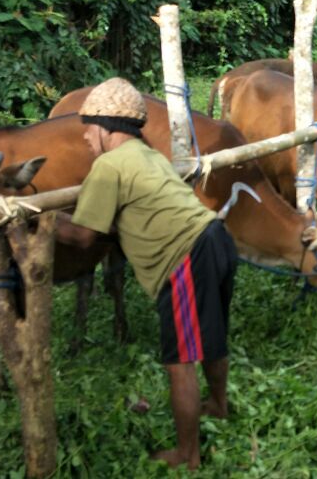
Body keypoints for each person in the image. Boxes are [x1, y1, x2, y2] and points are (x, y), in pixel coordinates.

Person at [55, 77, 237, 471]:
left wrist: (39, 220)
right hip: (218, 237)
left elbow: (83, 237)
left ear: (104, 129)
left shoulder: (109, 165)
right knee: (213, 335)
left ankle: (187, 456)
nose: (86, 138)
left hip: (186, 256)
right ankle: (218, 405)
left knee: (180, 360)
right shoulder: (149, 155)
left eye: (88, 129)